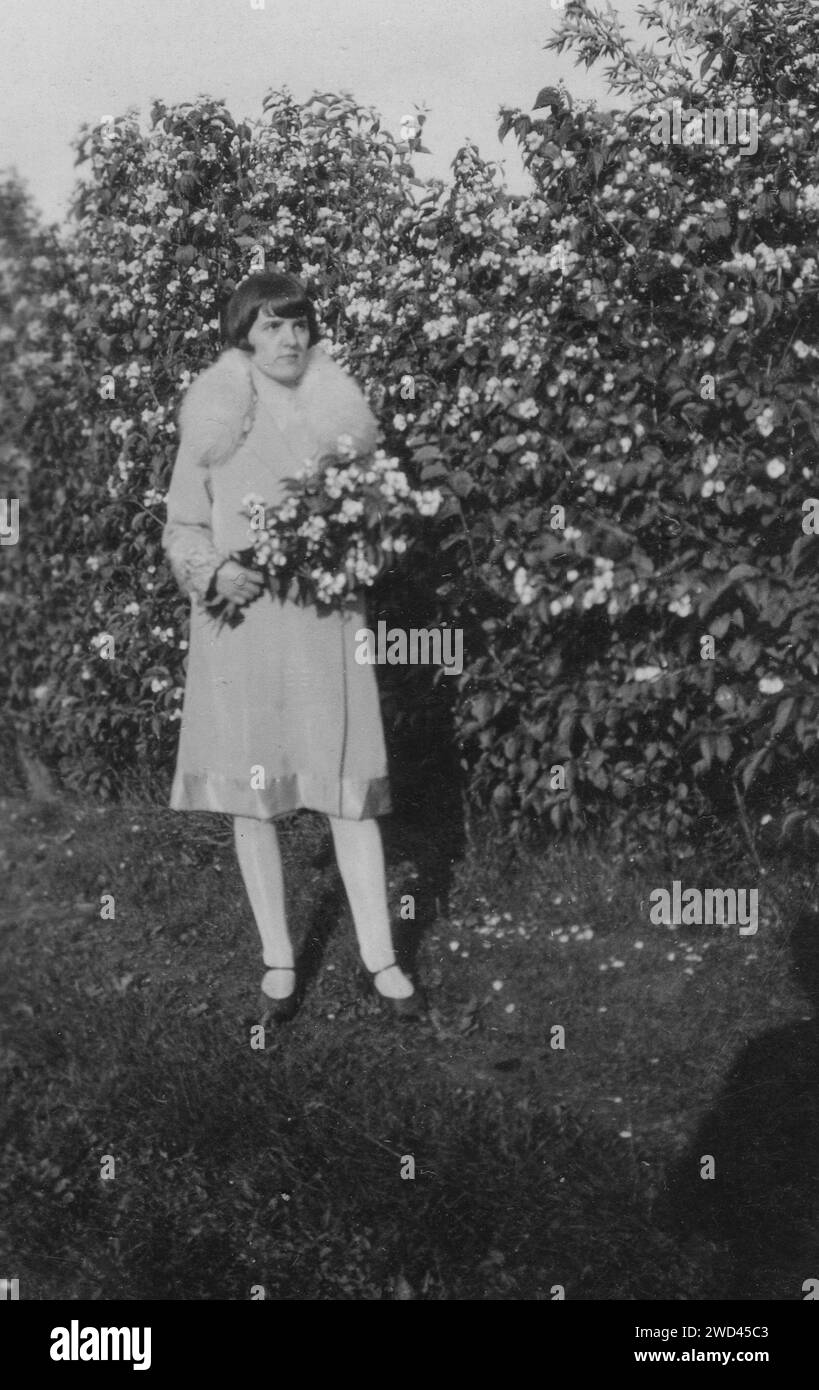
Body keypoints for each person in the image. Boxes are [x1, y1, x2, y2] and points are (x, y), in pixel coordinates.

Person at [161, 270, 421, 1022]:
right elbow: (183, 523)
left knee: (347, 787)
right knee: (255, 799)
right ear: (243, 334)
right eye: (271, 326)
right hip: (241, 627)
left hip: (324, 623)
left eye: (299, 324)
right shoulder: (212, 416)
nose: (289, 339)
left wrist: (363, 545)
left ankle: (382, 960)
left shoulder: (339, 413)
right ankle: (279, 958)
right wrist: (215, 571)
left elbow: (376, 514)